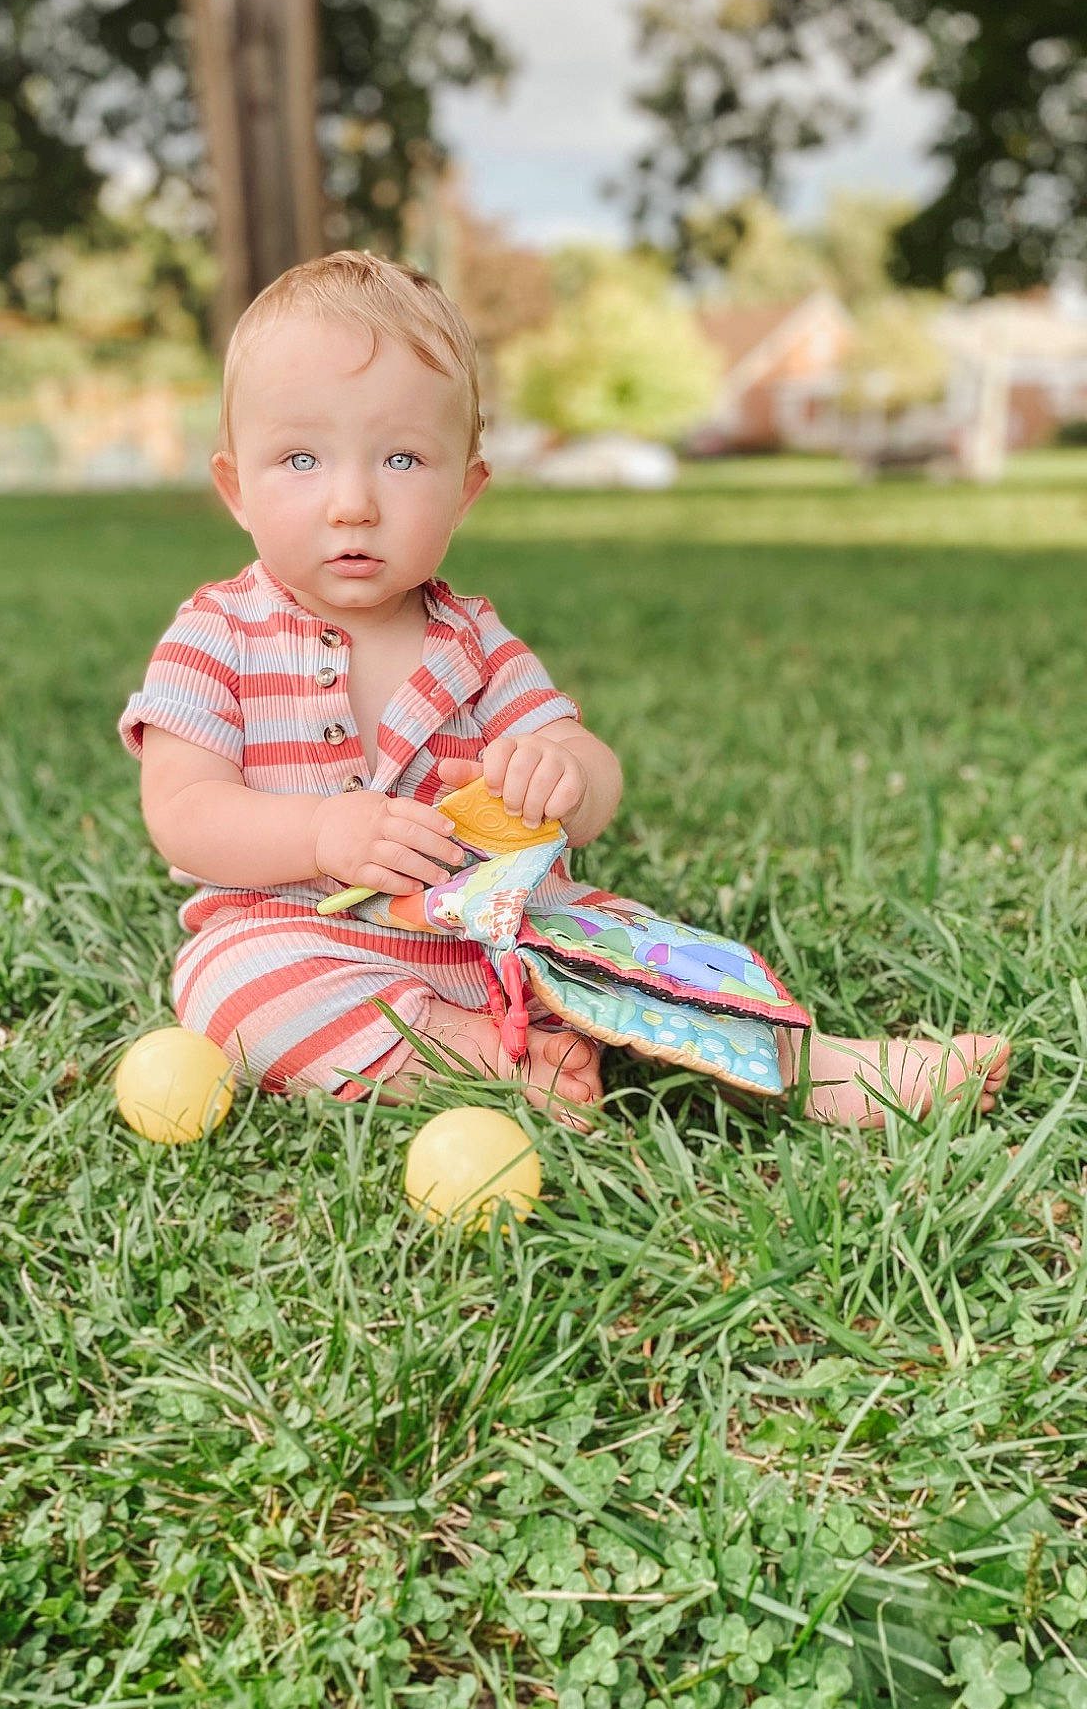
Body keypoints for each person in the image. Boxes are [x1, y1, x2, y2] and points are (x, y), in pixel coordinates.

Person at [119, 252, 1008, 1127]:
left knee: (644, 953)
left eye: (401, 460)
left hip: (500, 929)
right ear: (236, 489)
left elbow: (590, 773)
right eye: (302, 460)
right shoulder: (216, 635)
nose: (352, 502)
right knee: (223, 987)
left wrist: (562, 776)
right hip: (302, 933)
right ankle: (478, 1055)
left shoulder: (475, 644)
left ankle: (827, 1069)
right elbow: (184, 809)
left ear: (466, 491)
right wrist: (319, 831)